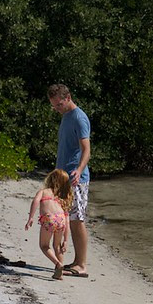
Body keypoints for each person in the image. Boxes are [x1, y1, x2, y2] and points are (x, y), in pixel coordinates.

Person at [47, 84, 91, 277]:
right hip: (62, 177)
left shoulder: (79, 118)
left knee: (77, 220)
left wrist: (79, 170)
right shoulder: (66, 116)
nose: (57, 108)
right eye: (54, 106)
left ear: (68, 97)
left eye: (59, 104)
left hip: (76, 179)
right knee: (66, 219)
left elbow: (86, 150)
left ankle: (82, 264)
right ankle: (75, 261)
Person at [25, 169, 73, 280]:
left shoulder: (43, 191)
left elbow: (35, 201)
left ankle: (58, 264)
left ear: (50, 179)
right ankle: (60, 273)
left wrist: (31, 217)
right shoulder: (62, 198)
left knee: (44, 246)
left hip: (49, 219)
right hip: (61, 220)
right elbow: (67, 221)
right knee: (57, 246)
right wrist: (66, 240)